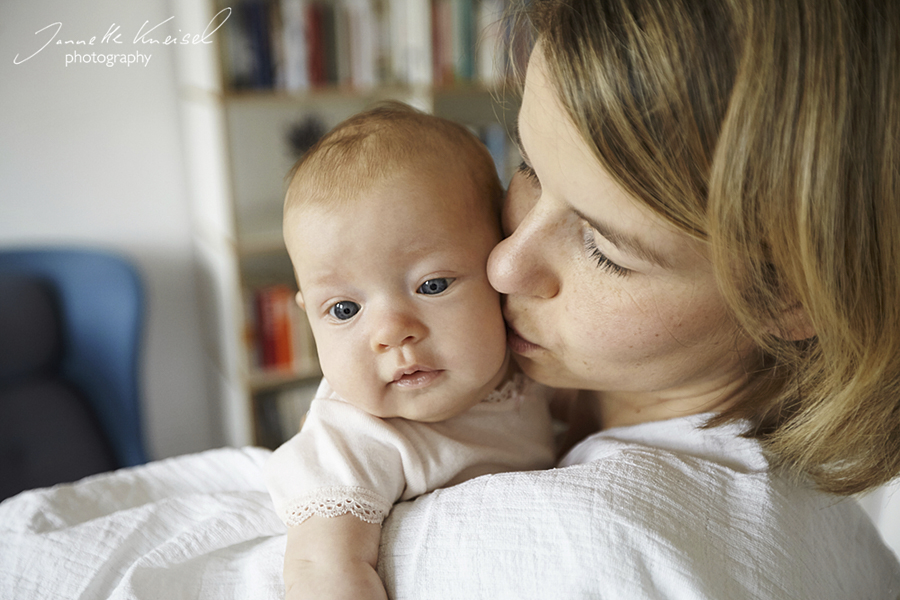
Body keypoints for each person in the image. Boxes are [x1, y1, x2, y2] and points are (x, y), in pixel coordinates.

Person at [371, 0, 900, 597]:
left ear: (791, 297)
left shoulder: (585, 549)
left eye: (603, 249)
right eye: (528, 167)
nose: (504, 265)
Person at [264, 102, 557, 600]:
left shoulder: (522, 362)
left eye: (433, 284)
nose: (391, 333)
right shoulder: (354, 436)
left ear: (500, 262)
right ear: (307, 316)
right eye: (343, 310)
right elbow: (323, 568)